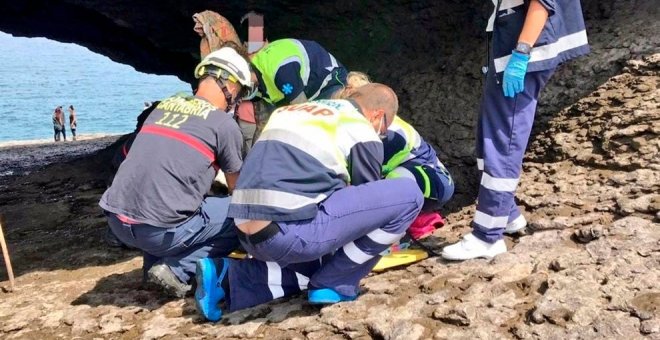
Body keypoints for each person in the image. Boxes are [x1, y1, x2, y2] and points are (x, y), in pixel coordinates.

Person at [194, 83, 424, 321]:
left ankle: (228, 275)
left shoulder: (290, 111)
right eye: (383, 130)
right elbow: (370, 203)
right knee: (409, 193)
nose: (381, 135)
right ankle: (336, 282)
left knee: (321, 263)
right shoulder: (361, 128)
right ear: (378, 115)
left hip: (246, 232)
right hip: (287, 233)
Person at [441, 0, 590, 260]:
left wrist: (521, 54)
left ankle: (488, 236)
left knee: (503, 139)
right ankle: (507, 215)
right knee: (489, 135)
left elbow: (542, 3)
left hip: (525, 52)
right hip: (512, 47)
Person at [98, 47, 253, 297]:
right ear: (231, 87)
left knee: (176, 203)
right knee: (241, 214)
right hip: (157, 230)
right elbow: (240, 190)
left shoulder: (162, 109)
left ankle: (155, 266)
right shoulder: (223, 125)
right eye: (241, 93)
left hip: (117, 222)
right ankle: (178, 269)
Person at [250, 38, 348, 107]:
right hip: (308, 91)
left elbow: (301, 107)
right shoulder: (256, 82)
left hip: (329, 80)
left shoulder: (282, 72)